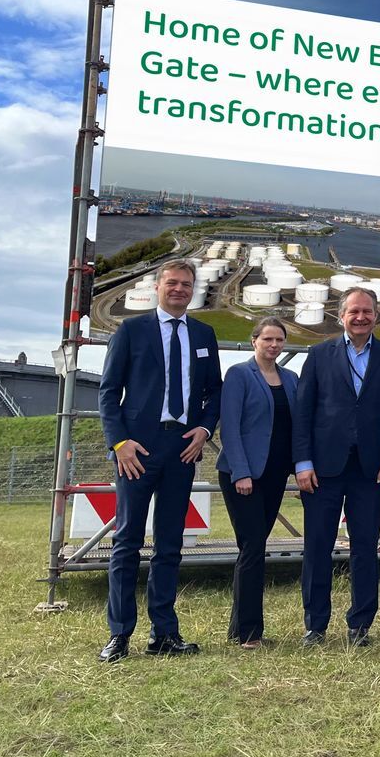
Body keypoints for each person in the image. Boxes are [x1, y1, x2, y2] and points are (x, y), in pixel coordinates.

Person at [97, 259, 222, 662]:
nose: (179, 289)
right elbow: (108, 392)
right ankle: (119, 635)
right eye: (172, 283)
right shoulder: (131, 331)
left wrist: (204, 430)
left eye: (186, 284)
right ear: (158, 287)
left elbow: (215, 392)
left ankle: (164, 634)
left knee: (170, 544)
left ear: (193, 289)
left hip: (181, 449)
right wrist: (119, 443)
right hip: (137, 450)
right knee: (127, 542)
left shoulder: (203, 334)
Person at [293, 287, 380, 648]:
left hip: (369, 469)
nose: (361, 317)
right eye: (354, 311)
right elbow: (303, 412)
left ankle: (360, 624)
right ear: (341, 316)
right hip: (323, 469)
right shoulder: (318, 354)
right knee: (317, 547)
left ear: (377, 316)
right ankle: (315, 625)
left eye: (367, 311)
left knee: (365, 548)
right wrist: (302, 462)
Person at [217, 316, 298, 648]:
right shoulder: (239, 375)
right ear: (254, 341)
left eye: (279, 340)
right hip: (243, 476)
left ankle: (238, 627)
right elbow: (230, 427)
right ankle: (250, 633)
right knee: (253, 547)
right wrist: (241, 472)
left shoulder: (291, 379)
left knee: (253, 547)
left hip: (275, 475)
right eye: (267, 339)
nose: (274, 345)